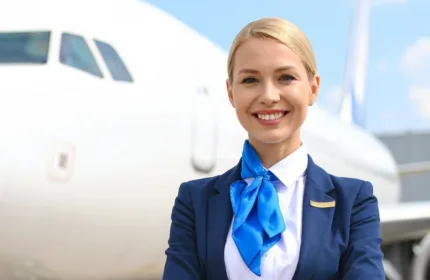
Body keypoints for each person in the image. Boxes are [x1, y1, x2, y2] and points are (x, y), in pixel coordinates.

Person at [162, 17, 385, 280]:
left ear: (313, 89)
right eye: (250, 80)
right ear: (231, 92)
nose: (268, 95)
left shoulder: (353, 202)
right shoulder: (195, 202)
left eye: (285, 77)